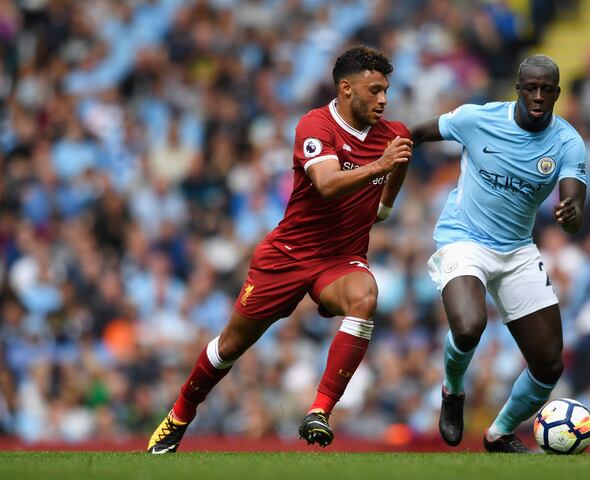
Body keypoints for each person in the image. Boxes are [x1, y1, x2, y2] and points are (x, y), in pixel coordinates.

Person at [147, 46, 412, 454]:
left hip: (340, 260)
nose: (383, 99)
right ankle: (180, 415)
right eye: (374, 90)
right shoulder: (315, 125)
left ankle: (320, 411)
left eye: (386, 91)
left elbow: (402, 158)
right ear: (346, 88)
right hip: (287, 254)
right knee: (231, 347)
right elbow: (325, 184)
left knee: (365, 296)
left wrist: (385, 207)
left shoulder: (394, 135)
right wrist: (380, 167)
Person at [407, 54, 587, 453]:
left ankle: (500, 433)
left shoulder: (567, 142)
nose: (538, 96)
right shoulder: (478, 119)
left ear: (557, 93)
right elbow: (416, 132)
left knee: (549, 365)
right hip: (464, 238)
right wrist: (381, 158)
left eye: (547, 90)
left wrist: (571, 213)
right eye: (531, 88)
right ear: (518, 89)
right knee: (469, 326)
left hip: (517, 250)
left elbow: (574, 204)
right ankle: (453, 391)